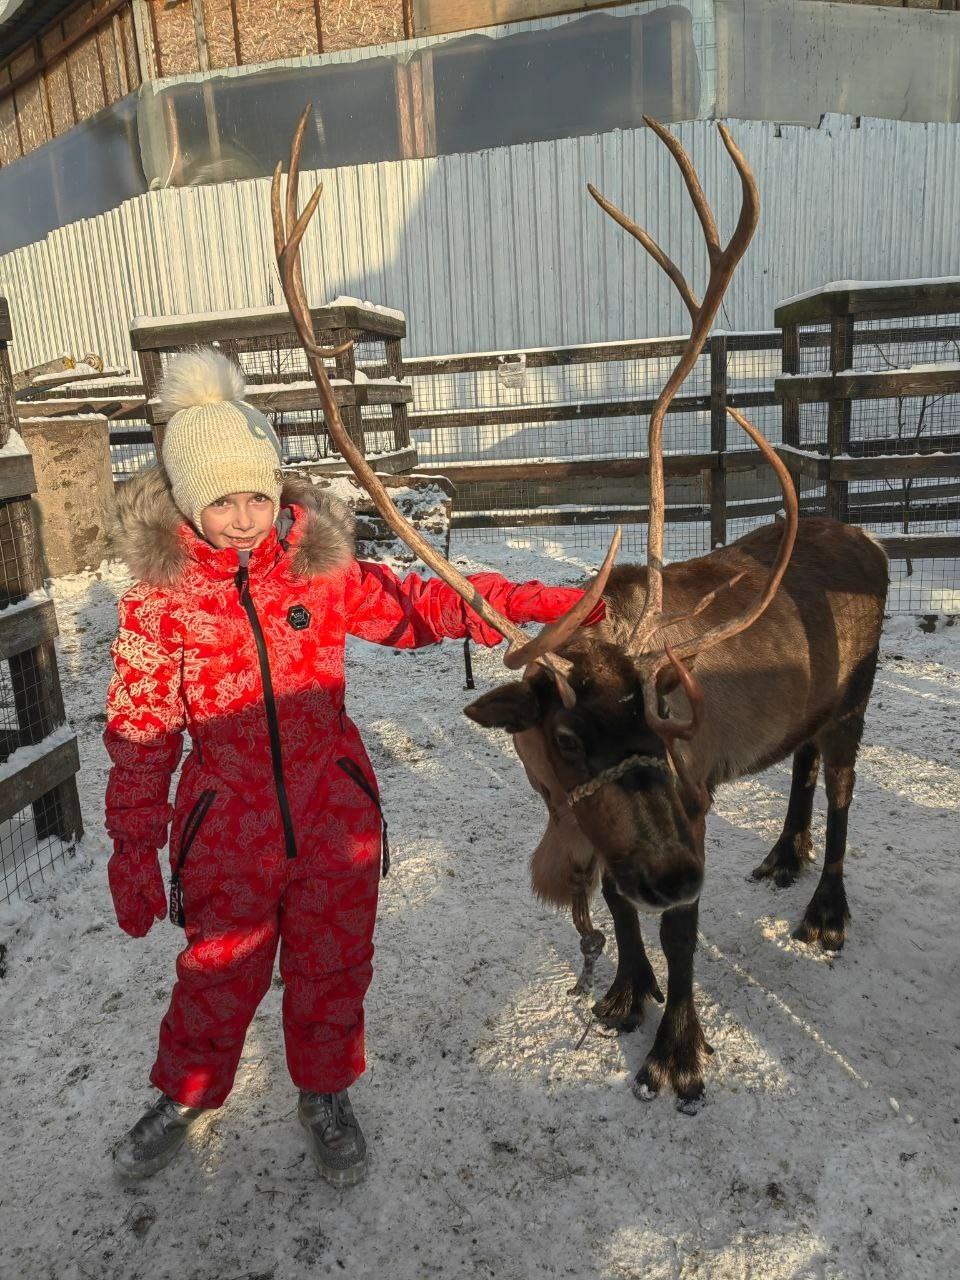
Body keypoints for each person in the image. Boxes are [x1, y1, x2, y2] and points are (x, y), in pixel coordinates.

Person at [104, 347, 603, 1187]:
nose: (242, 516)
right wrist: (133, 844)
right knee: (217, 971)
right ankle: (186, 1092)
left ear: (276, 490)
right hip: (226, 828)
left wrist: (509, 604)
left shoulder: (317, 569)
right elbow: (142, 732)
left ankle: (325, 1093)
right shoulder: (162, 604)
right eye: (220, 500)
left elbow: (417, 603)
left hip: (335, 812)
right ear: (189, 505)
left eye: (255, 494)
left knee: (334, 963)